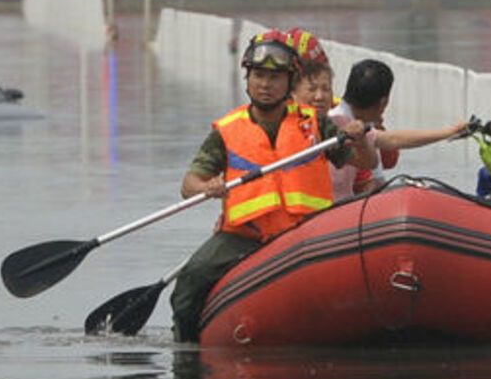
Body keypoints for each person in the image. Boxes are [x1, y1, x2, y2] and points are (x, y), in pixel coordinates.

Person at [169, 29, 373, 342]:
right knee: (188, 285)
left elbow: (365, 163)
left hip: (307, 232)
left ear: (289, 83)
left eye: (275, 77)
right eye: (258, 76)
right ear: (247, 79)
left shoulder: (316, 123)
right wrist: (207, 187)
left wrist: (361, 138)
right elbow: (188, 185)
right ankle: (189, 353)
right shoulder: (226, 131)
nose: (265, 85)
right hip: (245, 237)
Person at [331, 59, 468, 200]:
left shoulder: (355, 126)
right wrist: (450, 132)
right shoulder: (338, 124)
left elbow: (395, 139)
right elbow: (394, 140)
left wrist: (450, 132)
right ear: (383, 102)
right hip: (329, 211)